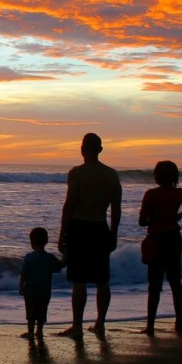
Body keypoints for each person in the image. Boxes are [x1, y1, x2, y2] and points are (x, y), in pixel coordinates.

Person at [57, 133, 122, 338]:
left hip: (79, 227)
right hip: (100, 226)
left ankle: (77, 326)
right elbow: (116, 208)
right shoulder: (111, 174)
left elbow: (69, 205)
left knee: (79, 280)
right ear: (100, 150)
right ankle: (100, 324)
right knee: (102, 280)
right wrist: (113, 233)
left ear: (82, 149)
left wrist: (62, 234)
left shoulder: (76, 173)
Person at [138, 160, 182, 336]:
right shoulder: (179, 193)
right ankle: (179, 323)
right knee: (175, 281)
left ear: (157, 175)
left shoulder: (151, 194)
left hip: (156, 239)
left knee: (154, 285)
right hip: (173, 239)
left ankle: (150, 326)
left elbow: (141, 222)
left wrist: (154, 219)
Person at [19, 226, 65, 341]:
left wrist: (20, 285)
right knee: (41, 312)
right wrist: (66, 254)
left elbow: (24, 273)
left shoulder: (29, 257)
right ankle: (39, 331)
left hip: (30, 290)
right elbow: (60, 266)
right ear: (46, 241)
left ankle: (30, 332)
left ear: (31, 242)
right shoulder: (49, 258)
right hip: (44, 290)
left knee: (30, 313)